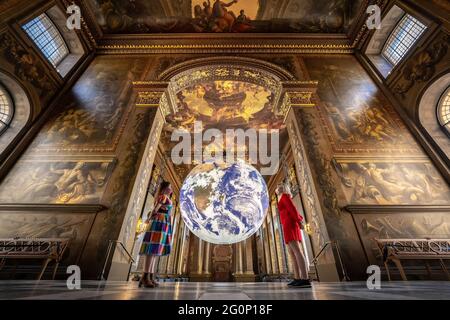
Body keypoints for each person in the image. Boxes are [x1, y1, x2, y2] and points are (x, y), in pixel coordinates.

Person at [139, 181, 174, 288]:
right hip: (159, 222)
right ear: (164, 188)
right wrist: (149, 219)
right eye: (169, 187)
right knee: (152, 250)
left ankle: (149, 276)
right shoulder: (163, 196)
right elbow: (155, 209)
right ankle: (145, 276)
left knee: (155, 251)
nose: (171, 189)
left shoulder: (166, 197)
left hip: (163, 223)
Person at [276, 183, 311, 288]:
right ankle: (297, 278)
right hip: (287, 225)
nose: (278, 188)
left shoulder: (285, 196)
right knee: (292, 254)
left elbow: (293, 209)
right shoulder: (280, 197)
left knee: (297, 252)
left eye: (281, 187)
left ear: (284, 188)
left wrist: (299, 221)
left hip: (290, 224)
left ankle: (305, 279)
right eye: (278, 187)